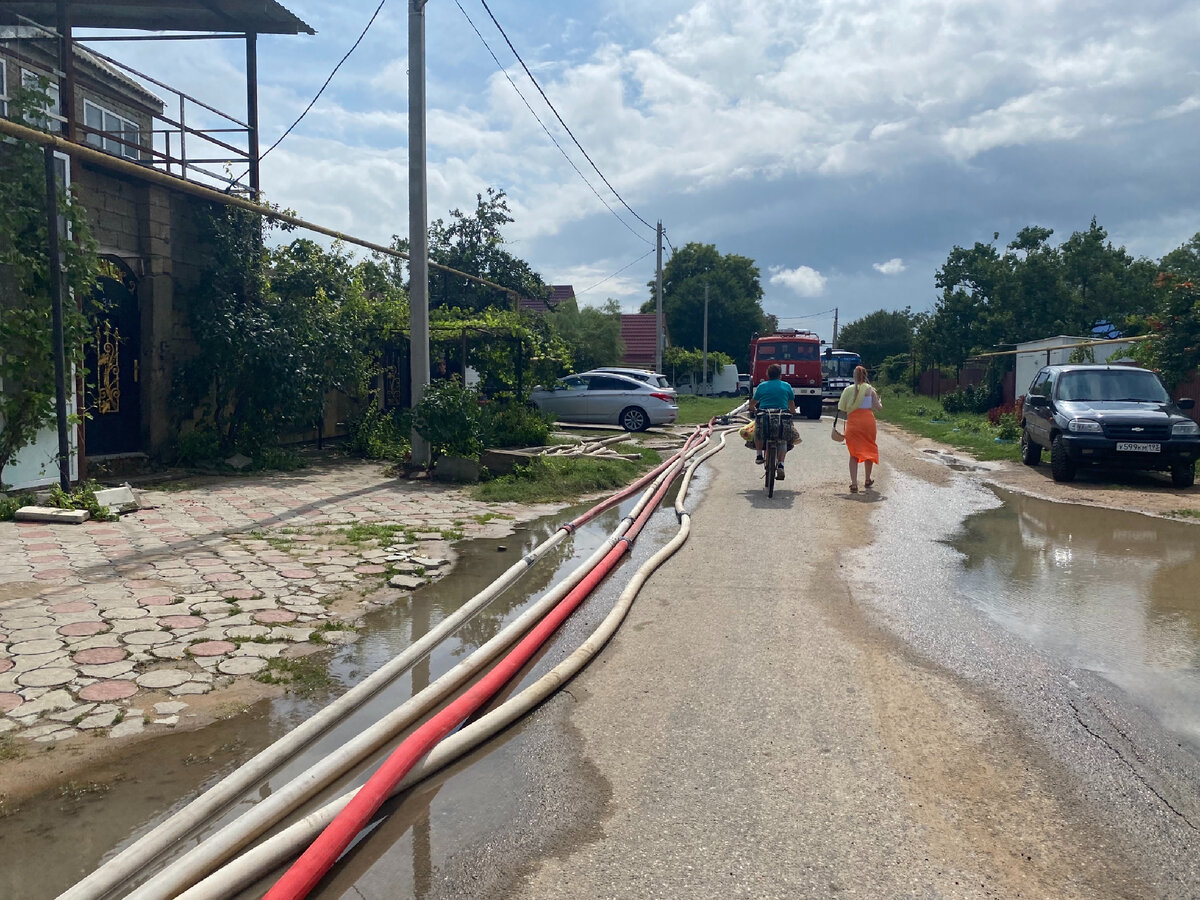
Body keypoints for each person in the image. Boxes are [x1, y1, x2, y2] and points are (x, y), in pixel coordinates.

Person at [837, 365, 881, 492]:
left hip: (854, 422)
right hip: (868, 422)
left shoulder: (848, 390)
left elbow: (842, 407)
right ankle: (867, 479)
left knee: (853, 453)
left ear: (854, 376)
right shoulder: (870, 390)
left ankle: (854, 483)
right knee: (869, 447)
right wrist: (880, 401)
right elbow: (878, 408)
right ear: (865, 376)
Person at [749, 363, 796, 480]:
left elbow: (753, 403)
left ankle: (759, 455)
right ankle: (781, 464)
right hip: (782, 416)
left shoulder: (762, 386)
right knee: (784, 438)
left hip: (764, 415)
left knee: (758, 431)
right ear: (780, 375)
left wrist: (753, 409)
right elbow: (791, 404)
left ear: (767, 374)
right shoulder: (787, 386)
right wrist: (792, 412)